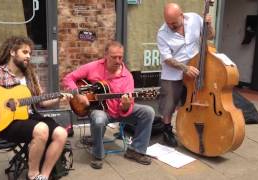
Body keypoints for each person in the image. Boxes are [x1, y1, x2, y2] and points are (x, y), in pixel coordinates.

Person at [0, 36, 71, 180]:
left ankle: (44, 175)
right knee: (41, 129)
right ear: (12, 52)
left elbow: (41, 102)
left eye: (30, 53)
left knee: (61, 134)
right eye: (25, 52)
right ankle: (33, 174)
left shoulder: (31, 75)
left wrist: (60, 97)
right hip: (7, 123)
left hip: (29, 117)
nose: (28, 56)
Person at [63, 41, 155, 169]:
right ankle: (98, 155)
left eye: (120, 57)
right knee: (98, 119)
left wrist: (125, 106)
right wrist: (78, 95)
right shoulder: (93, 67)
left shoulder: (127, 76)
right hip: (101, 110)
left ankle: (136, 150)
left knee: (148, 112)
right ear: (105, 55)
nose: (118, 61)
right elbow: (68, 78)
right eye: (114, 57)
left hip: (120, 111)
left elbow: (126, 107)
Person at [156, 3, 215, 147]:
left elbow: (210, 36)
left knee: (194, 100)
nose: (170, 26)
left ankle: (192, 126)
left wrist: (209, 24)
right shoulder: (162, 33)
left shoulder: (194, 18)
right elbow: (167, 58)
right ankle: (167, 130)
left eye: (174, 23)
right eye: (168, 23)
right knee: (169, 103)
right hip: (173, 71)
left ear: (181, 15)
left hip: (196, 67)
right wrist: (184, 68)